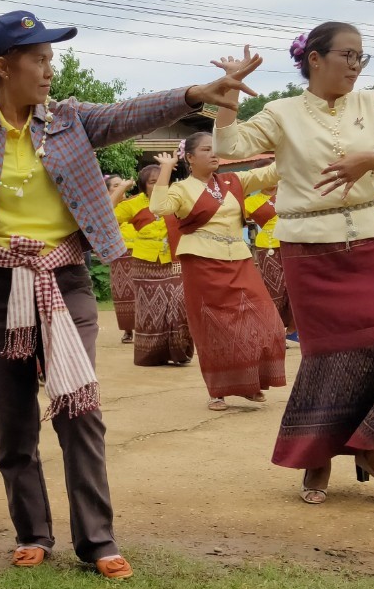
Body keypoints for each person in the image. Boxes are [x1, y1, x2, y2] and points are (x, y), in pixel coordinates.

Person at [0, 8, 259, 578]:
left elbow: (127, 113)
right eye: (38, 59)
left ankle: (98, 539)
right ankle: (31, 532)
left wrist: (194, 93)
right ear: (2, 66)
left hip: (64, 280)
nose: (49, 69)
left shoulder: (70, 121)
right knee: (11, 420)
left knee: (78, 410)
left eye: (50, 58)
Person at [213, 25, 374, 506]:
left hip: (373, 242)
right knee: (327, 357)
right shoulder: (283, 112)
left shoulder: (372, 103)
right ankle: (317, 456)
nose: (355, 65)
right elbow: (229, 149)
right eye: (347, 55)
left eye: (361, 57)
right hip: (310, 249)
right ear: (314, 59)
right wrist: (227, 92)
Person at [149, 136, 283, 408]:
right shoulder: (182, 188)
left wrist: (293, 143)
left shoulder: (234, 181)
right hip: (202, 262)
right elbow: (158, 208)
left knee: (266, 320)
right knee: (215, 326)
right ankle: (217, 392)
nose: (214, 154)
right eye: (206, 150)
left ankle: (249, 382)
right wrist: (165, 168)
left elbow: (272, 171)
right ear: (190, 158)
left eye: (215, 149)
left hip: (240, 259)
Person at [114, 163, 193, 367]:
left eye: (162, 180)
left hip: (175, 260)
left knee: (180, 303)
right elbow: (108, 214)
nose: (159, 184)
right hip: (145, 264)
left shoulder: (177, 199)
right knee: (150, 310)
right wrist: (122, 188)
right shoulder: (133, 204)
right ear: (143, 185)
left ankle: (180, 351)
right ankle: (152, 355)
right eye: (153, 182)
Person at [243, 183, 298, 344]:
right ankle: (275, 329)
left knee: (294, 287)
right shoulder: (251, 201)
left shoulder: (288, 194)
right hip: (267, 248)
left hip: (291, 243)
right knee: (275, 289)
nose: (271, 180)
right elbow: (238, 220)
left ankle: (293, 330)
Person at [106, 174, 138, 344]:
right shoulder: (105, 208)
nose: (121, 188)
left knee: (142, 290)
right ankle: (127, 329)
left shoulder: (134, 203)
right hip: (119, 254)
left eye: (122, 185)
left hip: (139, 251)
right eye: (115, 186)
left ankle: (144, 326)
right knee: (122, 292)